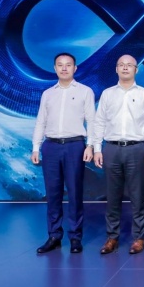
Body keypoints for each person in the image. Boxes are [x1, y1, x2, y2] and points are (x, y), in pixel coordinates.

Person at [90, 54, 144, 255]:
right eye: (121, 65)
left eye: (129, 65)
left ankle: (138, 237)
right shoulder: (108, 94)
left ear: (136, 69)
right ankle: (112, 237)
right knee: (112, 196)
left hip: (136, 148)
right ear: (116, 69)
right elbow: (99, 122)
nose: (125, 68)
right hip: (111, 148)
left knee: (137, 196)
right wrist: (97, 148)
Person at [32, 53, 95, 254]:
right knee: (53, 193)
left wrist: (91, 146)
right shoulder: (48, 94)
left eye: (68, 65)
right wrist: (36, 147)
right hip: (50, 146)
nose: (64, 68)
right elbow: (41, 121)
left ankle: (75, 237)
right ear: (55, 68)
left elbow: (92, 121)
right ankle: (54, 236)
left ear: (75, 68)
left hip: (74, 145)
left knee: (75, 192)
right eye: (60, 65)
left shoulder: (85, 91)